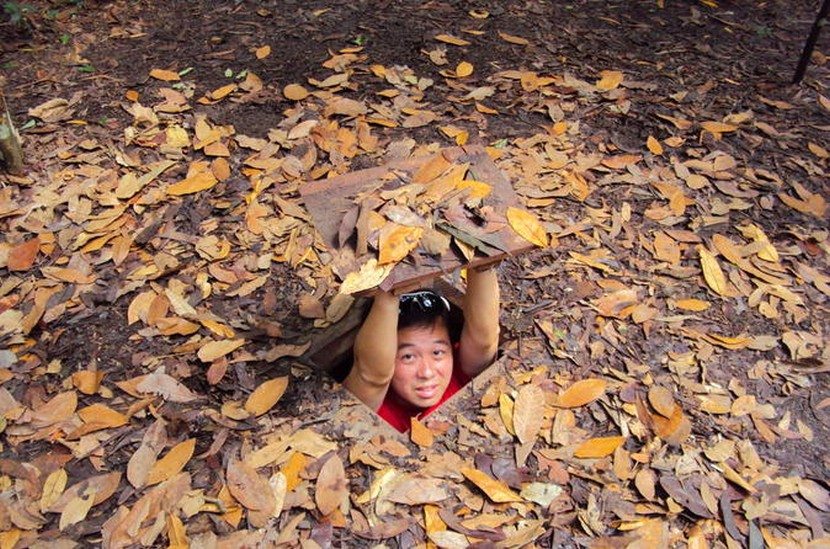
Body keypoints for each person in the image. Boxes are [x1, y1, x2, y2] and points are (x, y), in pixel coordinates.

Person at [344, 265, 500, 432]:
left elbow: (484, 339)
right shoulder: (369, 405)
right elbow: (373, 376)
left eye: (437, 352)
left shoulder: (459, 371)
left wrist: (483, 256)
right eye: (408, 356)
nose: (427, 373)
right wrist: (389, 289)